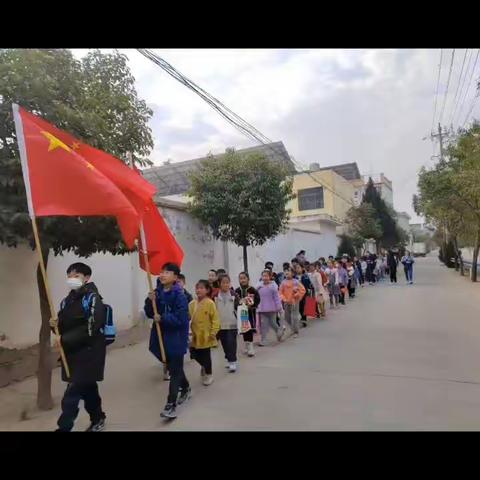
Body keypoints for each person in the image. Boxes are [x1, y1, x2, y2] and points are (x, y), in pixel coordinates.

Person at [52, 263, 107, 432]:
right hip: (72, 353)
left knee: (72, 393)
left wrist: (65, 339)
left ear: (87, 278)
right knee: (88, 389)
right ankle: (98, 418)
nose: (71, 279)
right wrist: (54, 325)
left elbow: (91, 328)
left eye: (76, 276)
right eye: (69, 276)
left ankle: (64, 427)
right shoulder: (66, 301)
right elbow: (61, 327)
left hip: (89, 353)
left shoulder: (92, 299)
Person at [145, 262, 190, 420]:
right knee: (173, 366)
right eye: (162, 272)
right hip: (160, 336)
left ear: (175, 277)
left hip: (176, 337)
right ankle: (186, 387)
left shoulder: (180, 295)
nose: (163, 275)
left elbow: (182, 319)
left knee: (175, 369)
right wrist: (150, 301)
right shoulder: (157, 292)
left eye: (167, 272)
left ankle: (171, 405)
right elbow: (150, 313)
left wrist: (163, 318)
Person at [188, 280, 220, 386]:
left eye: (201, 288)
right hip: (194, 335)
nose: (199, 290)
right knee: (193, 353)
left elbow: (215, 319)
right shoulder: (192, 304)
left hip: (206, 335)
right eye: (197, 288)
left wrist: (213, 331)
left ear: (207, 290)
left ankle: (209, 374)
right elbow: (188, 318)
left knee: (206, 355)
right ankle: (203, 365)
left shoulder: (210, 303)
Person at [215, 274, 239, 373]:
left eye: (227, 282)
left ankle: (232, 361)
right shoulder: (215, 296)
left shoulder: (234, 295)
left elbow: (239, 306)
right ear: (219, 284)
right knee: (224, 343)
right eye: (223, 282)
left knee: (231, 342)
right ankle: (229, 358)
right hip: (220, 324)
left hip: (232, 323)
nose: (226, 284)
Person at [235, 272, 260, 357]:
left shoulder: (252, 290)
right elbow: (235, 301)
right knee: (244, 329)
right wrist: (239, 304)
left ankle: (250, 346)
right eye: (240, 278)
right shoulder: (237, 291)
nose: (242, 280)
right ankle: (246, 344)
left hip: (250, 313)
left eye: (244, 278)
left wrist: (253, 305)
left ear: (248, 279)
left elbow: (257, 299)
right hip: (241, 313)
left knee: (249, 329)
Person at [256, 269, 284, 346]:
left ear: (270, 277)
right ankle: (263, 340)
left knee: (273, 323)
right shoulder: (258, 287)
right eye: (263, 276)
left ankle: (278, 331)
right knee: (264, 325)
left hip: (272, 309)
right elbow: (256, 298)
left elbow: (277, 298)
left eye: (266, 276)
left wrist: (279, 307)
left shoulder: (273, 287)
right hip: (262, 309)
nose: (265, 278)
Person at [279, 266, 306, 338]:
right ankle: (292, 328)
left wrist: (297, 295)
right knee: (287, 317)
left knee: (294, 317)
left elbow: (303, 290)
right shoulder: (283, 283)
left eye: (289, 271)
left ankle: (296, 331)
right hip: (286, 302)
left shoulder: (296, 282)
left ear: (293, 273)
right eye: (285, 271)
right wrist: (284, 299)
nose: (286, 272)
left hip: (295, 302)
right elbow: (280, 292)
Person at [294, 263, 313, 327]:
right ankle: (302, 317)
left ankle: (304, 319)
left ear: (302, 268)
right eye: (296, 268)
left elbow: (309, 284)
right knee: (299, 307)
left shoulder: (305, 276)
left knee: (304, 306)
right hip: (297, 294)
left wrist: (310, 290)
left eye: (299, 268)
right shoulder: (295, 277)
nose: (297, 269)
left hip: (305, 293)